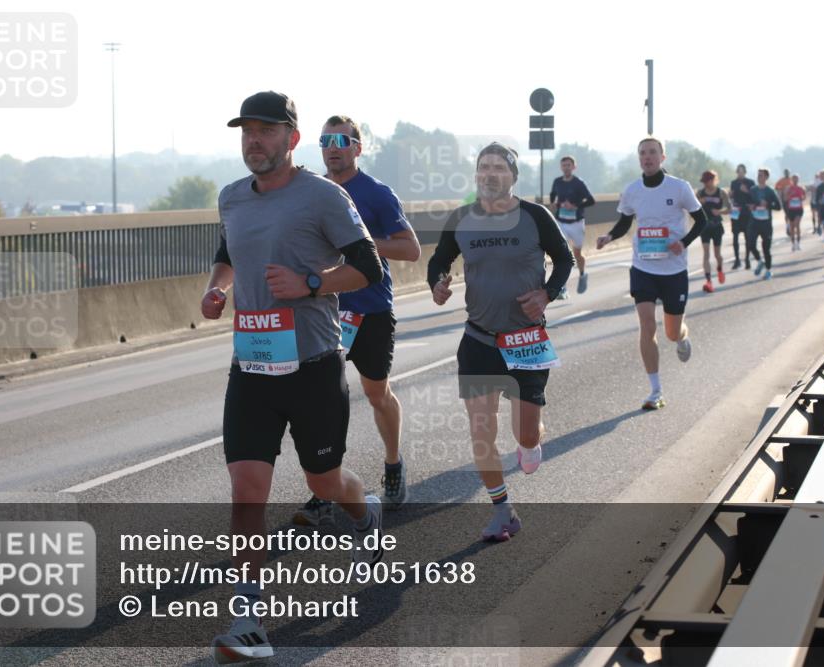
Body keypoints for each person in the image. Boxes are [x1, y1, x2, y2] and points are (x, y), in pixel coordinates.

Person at [204, 91, 386, 662]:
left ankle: (366, 513)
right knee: (247, 489)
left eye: (265, 130)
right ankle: (248, 615)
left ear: (291, 139)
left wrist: (309, 284)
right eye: (246, 131)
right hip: (252, 365)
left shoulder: (323, 196)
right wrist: (218, 287)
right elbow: (229, 250)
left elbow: (367, 267)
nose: (253, 140)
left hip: (311, 365)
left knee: (325, 483)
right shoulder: (232, 198)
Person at [427, 142, 573, 541]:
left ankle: (530, 444)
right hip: (479, 338)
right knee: (481, 430)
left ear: (513, 176)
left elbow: (564, 259)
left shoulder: (535, 216)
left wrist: (547, 293)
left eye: (498, 168)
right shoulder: (462, 218)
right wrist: (437, 283)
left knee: (525, 434)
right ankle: (501, 509)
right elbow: (439, 259)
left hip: (526, 340)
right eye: (483, 167)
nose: (489, 174)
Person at [292, 116, 422, 527]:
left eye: (341, 140)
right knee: (321, 401)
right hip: (324, 311)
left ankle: (393, 462)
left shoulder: (377, 194)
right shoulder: (311, 192)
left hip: (369, 310)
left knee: (376, 393)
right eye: (325, 141)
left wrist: (362, 243)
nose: (332, 147)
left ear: (357, 148)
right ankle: (324, 490)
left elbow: (411, 249)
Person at [595, 137, 708, 410]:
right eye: (643, 153)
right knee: (647, 325)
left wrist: (683, 243)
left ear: (662, 157)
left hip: (673, 270)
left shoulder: (679, 187)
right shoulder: (632, 190)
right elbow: (624, 222)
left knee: (670, 332)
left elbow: (702, 220)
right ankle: (655, 391)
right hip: (643, 267)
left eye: (652, 152)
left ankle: (682, 336)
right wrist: (609, 236)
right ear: (639, 159)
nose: (647, 157)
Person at [550, 155, 596, 295]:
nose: (566, 168)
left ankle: (582, 274)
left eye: (569, 165)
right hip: (561, 222)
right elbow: (553, 195)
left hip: (576, 223)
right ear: (561, 167)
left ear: (574, 167)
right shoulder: (557, 181)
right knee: (561, 252)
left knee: (577, 254)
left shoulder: (578, 183)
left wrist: (575, 206)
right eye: (564, 165)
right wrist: (556, 204)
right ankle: (561, 286)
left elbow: (591, 200)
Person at [696, 170, 730, 292]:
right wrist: (699, 203)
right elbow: (693, 208)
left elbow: (729, 209)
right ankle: (708, 281)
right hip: (704, 226)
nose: (705, 184)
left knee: (717, 254)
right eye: (703, 182)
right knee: (706, 254)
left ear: (713, 180)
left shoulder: (721, 193)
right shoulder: (700, 193)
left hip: (716, 226)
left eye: (706, 181)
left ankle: (720, 269)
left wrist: (719, 212)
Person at [747, 168, 781, 279]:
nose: (759, 177)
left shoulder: (770, 191)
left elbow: (778, 207)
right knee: (750, 244)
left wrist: (768, 205)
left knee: (766, 248)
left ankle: (768, 270)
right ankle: (759, 261)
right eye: (758, 175)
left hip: (766, 223)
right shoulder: (753, 190)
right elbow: (748, 203)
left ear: (766, 177)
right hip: (754, 222)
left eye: (761, 175)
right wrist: (751, 206)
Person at [728, 164, 756, 270]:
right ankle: (737, 260)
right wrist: (730, 195)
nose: (740, 173)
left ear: (745, 172)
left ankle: (747, 259)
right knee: (735, 237)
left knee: (747, 237)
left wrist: (747, 191)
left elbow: (754, 197)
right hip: (736, 212)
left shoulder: (750, 183)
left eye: (742, 171)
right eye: (738, 171)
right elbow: (732, 196)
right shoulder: (733, 183)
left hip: (746, 212)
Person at [784, 174, 806, 251]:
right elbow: (785, 199)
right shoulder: (788, 188)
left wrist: (800, 198)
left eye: (796, 179)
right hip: (791, 209)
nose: (795, 180)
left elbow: (804, 197)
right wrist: (790, 195)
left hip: (799, 209)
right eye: (794, 179)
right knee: (792, 227)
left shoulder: (801, 188)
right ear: (791, 180)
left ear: (798, 180)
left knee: (797, 224)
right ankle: (793, 244)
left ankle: (798, 243)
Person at [774, 168, 792, 237]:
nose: (787, 174)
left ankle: (791, 227)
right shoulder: (781, 181)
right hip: (785, 200)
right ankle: (788, 227)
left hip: (792, 201)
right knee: (787, 214)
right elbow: (776, 187)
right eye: (785, 173)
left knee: (792, 215)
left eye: (788, 172)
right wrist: (781, 191)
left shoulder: (791, 180)